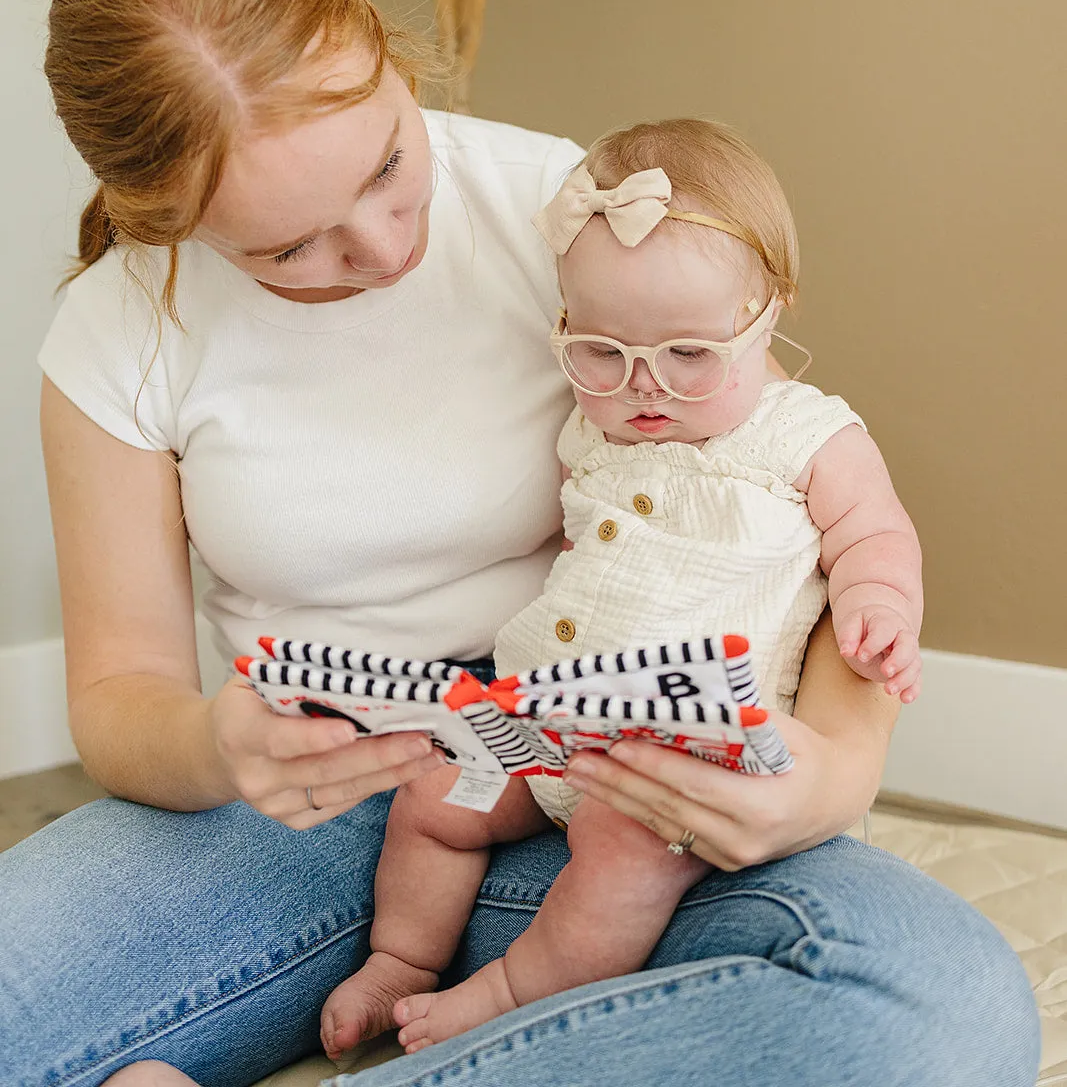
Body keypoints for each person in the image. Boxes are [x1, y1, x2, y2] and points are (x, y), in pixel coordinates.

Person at [0, 0, 1039, 1087]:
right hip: (297, 813)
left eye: (389, 164)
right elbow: (122, 696)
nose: (387, 250)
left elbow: (799, 495)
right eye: (291, 249)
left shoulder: (576, 213)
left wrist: (836, 772)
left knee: (932, 1005)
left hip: (598, 795)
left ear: (389, 50)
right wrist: (222, 745)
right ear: (168, 220)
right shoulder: (121, 324)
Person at [313, 117, 924, 1058]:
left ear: (769, 314)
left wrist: (879, 607)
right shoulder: (589, 431)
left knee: (617, 853)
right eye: (601, 351)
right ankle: (401, 956)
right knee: (437, 792)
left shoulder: (806, 436)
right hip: (545, 711)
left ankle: (514, 990)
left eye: (689, 356)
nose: (645, 388)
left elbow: (873, 534)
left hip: (679, 752)